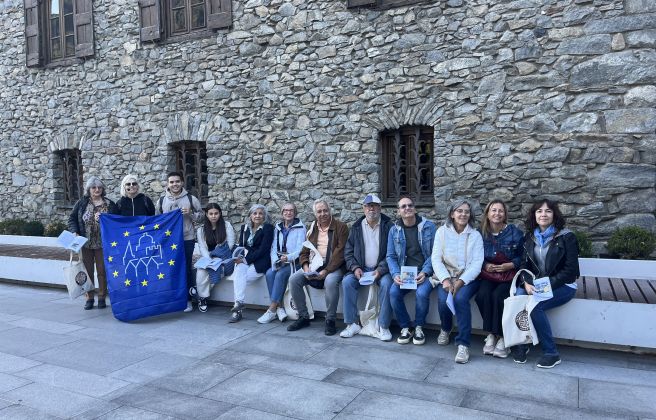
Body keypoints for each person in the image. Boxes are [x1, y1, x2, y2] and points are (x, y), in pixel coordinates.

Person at [512, 199, 579, 369]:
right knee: (519, 297)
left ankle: (551, 353)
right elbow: (524, 265)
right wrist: (526, 283)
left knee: (535, 306)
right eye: (539, 211)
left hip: (563, 285)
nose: (543, 214)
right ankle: (523, 343)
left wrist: (547, 285)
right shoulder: (529, 237)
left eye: (548, 211)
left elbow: (571, 270)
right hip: (536, 285)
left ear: (554, 215)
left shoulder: (566, 237)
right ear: (534, 215)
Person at [432, 198, 484, 364]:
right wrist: (446, 280)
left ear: (470, 215)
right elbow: (436, 258)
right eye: (459, 211)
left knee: (460, 299)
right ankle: (446, 328)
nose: (463, 214)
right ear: (452, 214)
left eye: (466, 211)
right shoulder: (442, 232)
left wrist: (461, 281)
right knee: (443, 299)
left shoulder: (475, 235)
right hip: (446, 275)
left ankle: (463, 344)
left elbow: (477, 263)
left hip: (468, 277)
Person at [287, 199, 348, 335]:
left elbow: (340, 253)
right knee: (294, 279)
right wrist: (306, 266)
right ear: (315, 214)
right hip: (314, 265)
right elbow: (304, 251)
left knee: (330, 281)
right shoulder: (312, 228)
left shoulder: (341, 227)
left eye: (325, 210)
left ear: (330, 210)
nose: (323, 214)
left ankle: (330, 320)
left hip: (334, 266)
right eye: (319, 211)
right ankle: (303, 316)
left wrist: (327, 270)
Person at [474, 199, 524, 358]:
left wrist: (510, 265)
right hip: (489, 274)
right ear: (487, 214)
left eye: (500, 211)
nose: (497, 213)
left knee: (499, 296)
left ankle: (503, 337)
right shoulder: (480, 233)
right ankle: (491, 334)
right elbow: (473, 255)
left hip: (508, 275)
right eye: (493, 210)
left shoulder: (514, 232)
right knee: (482, 296)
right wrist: (485, 265)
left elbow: (523, 257)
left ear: (505, 214)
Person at [340, 194, 394, 341]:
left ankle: (383, 326)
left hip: (382, 270)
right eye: (368, 206)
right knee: (347, 282)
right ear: (364, 209)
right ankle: (352, 324)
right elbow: (348, 252)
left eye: (375, 205)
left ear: (380, 208)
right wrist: (355, 267)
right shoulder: (356, 227)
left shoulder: (389, 226)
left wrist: (381, 269)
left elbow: (393, 252)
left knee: (388, 284)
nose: (372, 209)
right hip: (361, 269)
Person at [388, 196, 437, 346]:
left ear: (415, 209)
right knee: (394, 293)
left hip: (424, 272)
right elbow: (390, 256)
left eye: (410, 205)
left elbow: (436, 254)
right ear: (398, 211)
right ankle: (405, 327)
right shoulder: (394, 230)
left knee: (421, 293)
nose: (407, 208)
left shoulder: (429, 226)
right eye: (403, 206)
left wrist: (426, 272)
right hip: (405, 274)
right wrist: (395, 274)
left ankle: (419, 327)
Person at [67, 176, 118, 310]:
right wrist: (74, 231)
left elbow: (117, 220)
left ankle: (102, 297)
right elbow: (72, 219)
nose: (97, 190)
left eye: (99, 187)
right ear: (88, 189)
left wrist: (105, 219)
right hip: (85, 244)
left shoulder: (109, 204)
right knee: (87, 272)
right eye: (94, 187)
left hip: (103, 244)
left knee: (102, 271)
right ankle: (89, 298)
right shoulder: (82, 203)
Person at [156, 171, 203, 313]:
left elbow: (201, 217)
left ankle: (187, 300)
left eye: (177, 181)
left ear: (182, 183)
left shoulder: (191, 198)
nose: (174, 184)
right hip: (168, 242)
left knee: (186, 269)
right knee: (170, 269)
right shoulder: (162, 200)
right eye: (172, 182)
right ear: (168, 184)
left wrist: (190, 214)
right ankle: (172, 298)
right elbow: (157, 221)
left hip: (186, 239)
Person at [258, 203, 306, 324]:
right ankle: (280, 308)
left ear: (295, 213)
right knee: (270, 273)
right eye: (285, 210)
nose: (288, 213)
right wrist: (275, 260)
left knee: (280, 275)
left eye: (291, 211)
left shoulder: (301, 227)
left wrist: (288, 257)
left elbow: (301, 249)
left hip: (294, 262)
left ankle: (272, 309)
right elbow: (273, 246)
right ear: (282, 213)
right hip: (280, 261)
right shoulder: (278, 227)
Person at [230, 204, 274, 322]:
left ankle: (237, 310)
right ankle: (238, 305)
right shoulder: (245, 227)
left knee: (239, 279)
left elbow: (263, 249)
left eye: (260, 213)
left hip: (261, 262)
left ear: (264, 216)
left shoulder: (268, 228)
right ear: (250, 215)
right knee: (239, 271)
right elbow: (241, 246)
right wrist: (238, 256)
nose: (257, 216)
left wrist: (245, 260)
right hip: (246, 260)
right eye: (255, 213)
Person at [195, 203, 235, 313]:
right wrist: (209, 259)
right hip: (208, 257)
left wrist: (217, 257)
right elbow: (202, 247)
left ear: (220, 213)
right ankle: (202, 298)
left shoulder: (226, 226)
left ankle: (200, 295)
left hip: (224, 257)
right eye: (211, 214)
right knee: (201, 271)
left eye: (216, 213)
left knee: (217, 269)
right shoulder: (201, 230)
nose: (213, 216)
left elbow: (230, 244)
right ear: (206, 215)